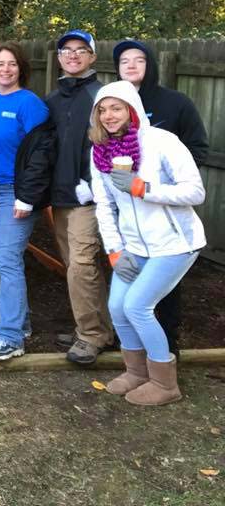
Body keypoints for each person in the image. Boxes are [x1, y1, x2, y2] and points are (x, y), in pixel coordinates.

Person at [89, 80, 205, 406]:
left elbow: (195, 191)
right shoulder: (99, 151)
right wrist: (114, 250)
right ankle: (137, 373)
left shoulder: (161, 142)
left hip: (176, 243)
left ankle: (165, 383)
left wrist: (143, 188)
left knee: (137, 307)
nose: (109, 115)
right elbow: (104, 207)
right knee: (116, 307)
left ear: (131, 109)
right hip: (135, 247)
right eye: (102, 109)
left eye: (116, 108)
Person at [113, 39, 210, 358]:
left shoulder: (175, 103)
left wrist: (162, 183)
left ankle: (167, 345)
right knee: (127, 283)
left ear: (150, 64)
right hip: (126, 211)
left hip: (165, 213)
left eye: (138, 59)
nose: (130, 65)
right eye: (124, 60)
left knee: (162, 286)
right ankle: (133, 348)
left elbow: (198, 149)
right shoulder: (111, 108)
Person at [0, 43, 54, 361]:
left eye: (11, 64)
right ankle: (18, 323)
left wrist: (27, 197)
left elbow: (42, 154)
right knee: (1, 258)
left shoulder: (29, 104)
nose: (5, 69)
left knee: (8, 260)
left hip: (15, 192)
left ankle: (10, 338)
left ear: (21, 68)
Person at [45, 29, 113, 366]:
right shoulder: (54, 99)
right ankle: (99, 328)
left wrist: (92, 183)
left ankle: (90, 336)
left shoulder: (102, 97)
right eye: (66, 50)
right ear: (59, 57)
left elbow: (112, 143)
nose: (73, 55)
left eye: (80, 50)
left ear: (92, 56)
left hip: (89, 197)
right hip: (60, 196)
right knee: (76, 265)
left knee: (83, 265)